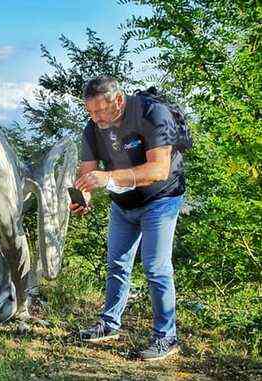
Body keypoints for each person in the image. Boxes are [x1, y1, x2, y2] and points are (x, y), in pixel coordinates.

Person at [72, 76, 186, 361]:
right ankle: (109, 324)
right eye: (90, 112)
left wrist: (107, 177)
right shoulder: (93, 127)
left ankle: (166, 337)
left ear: (119, 101)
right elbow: (86, 173)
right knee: (117, 263)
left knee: (156, 267)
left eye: (100, 111)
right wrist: (82, 198)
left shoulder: (151, 113)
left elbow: (159, 170)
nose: (94, 118)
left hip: (160, 199)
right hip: (123, 204)